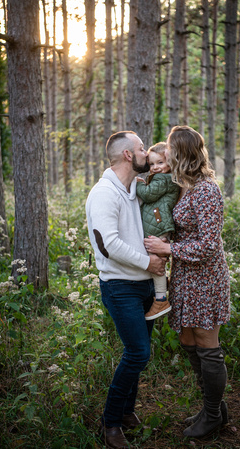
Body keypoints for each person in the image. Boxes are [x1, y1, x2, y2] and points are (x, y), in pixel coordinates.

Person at [143, 125, 231, 439]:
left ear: (182, 153)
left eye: (169, 149)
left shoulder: (206, 188)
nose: (165, 153)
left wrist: (168, 248)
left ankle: (211, 417)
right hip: (184, 276)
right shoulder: (183, 185)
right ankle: (214, 408)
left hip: (206, 277)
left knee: (207, 346)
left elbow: (209, 244)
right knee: (188, 341)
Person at [86, 131, 166, 449]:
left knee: (140, 356)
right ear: (129, 156)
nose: (147, 152)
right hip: (120, 288)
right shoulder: (104, 193)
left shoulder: (133, 188)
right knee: (138, 353)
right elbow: (109, 245)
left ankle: (127, 412)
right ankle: (111, 423)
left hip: (145, 286)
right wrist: (148, 262)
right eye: (142, 148)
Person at [136, 142, 179, 320]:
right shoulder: (163, 178)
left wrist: (137, 184)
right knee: (157, 264)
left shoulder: (164, 179)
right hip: (157, 223)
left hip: (159, 225)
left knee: (156, 265)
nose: (155, 168)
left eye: (160, 163)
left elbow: (147, 194)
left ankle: (161, 299)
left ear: (170, 163)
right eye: (152, 164)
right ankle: (162, 287)